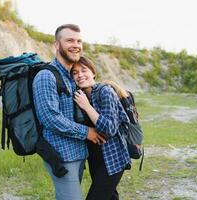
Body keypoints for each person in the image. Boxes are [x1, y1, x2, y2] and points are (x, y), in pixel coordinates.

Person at [32, 24, 105, 200]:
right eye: (70, 40)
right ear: (57, 45)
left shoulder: (70, 77)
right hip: (62, 155)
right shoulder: (46, 76)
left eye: (79, 41)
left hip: (78, 152)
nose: (76, 45)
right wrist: (87, 132)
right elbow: (50, 117)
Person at [72, 56, 131, 200]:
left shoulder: (105, 92)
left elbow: (109, 129)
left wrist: (86, 106)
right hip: (95, 158)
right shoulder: (79, 95)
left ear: (93, 72)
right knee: (110, 196)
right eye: (75, 72)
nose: (80, 75)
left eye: (83, 70)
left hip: (113, 158)